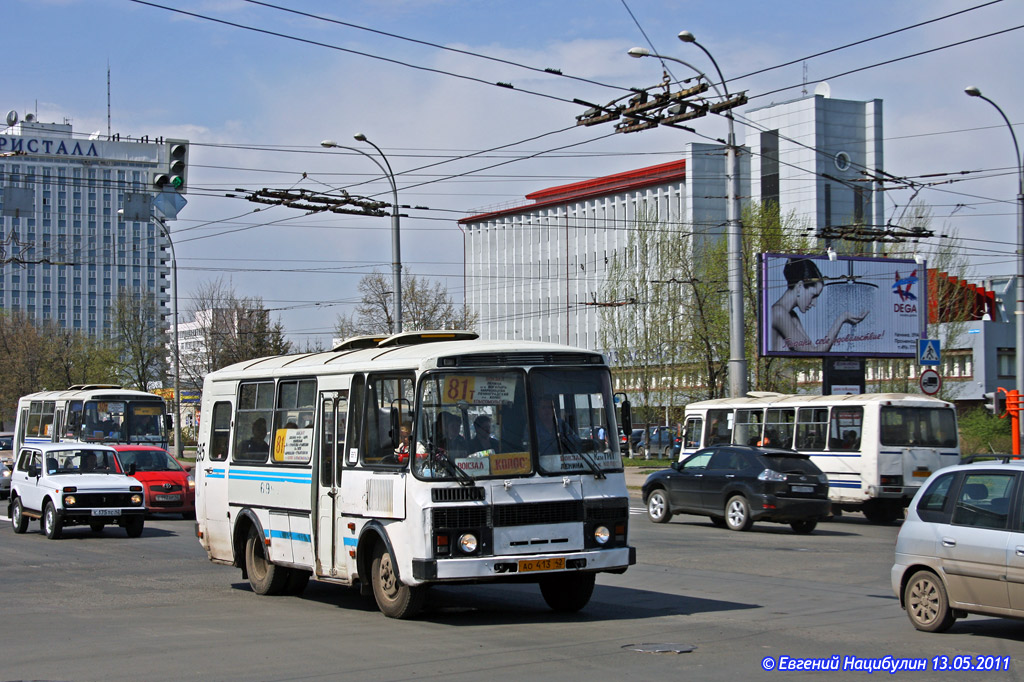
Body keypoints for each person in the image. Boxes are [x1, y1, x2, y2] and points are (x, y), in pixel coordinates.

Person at [770, 258, 869, 353]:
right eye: (814, 296)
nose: (814, 303)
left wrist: (843, 318)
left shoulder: (791, 316)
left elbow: (815, 350)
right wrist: (842, 319)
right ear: (800, 287)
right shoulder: (779, 313)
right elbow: (813, 352)